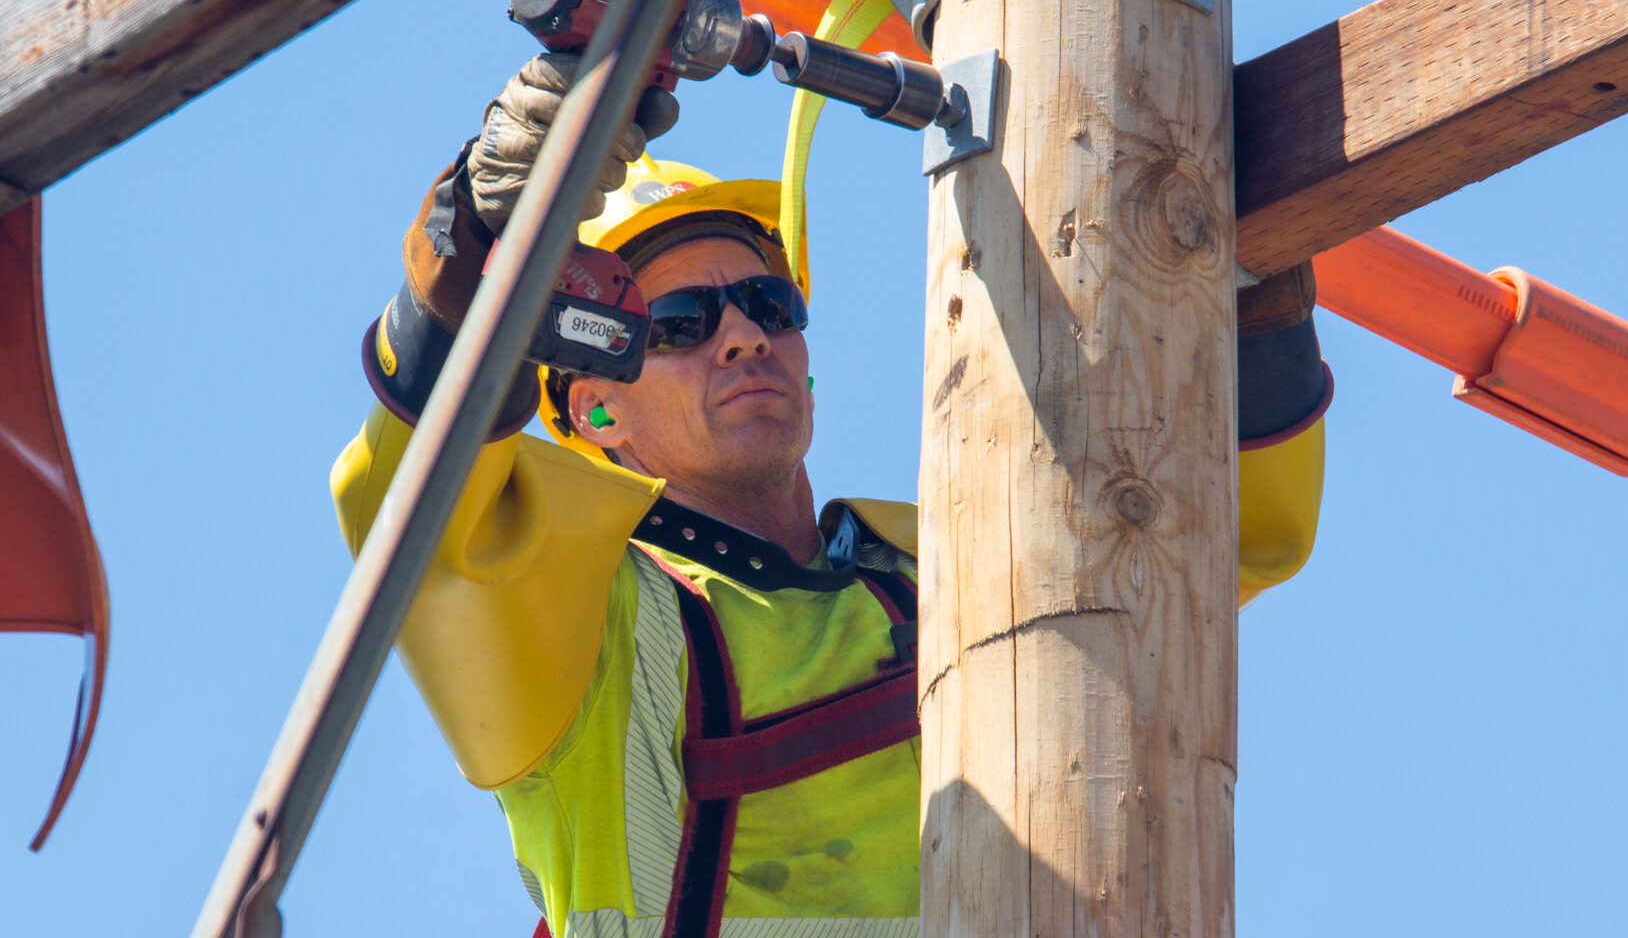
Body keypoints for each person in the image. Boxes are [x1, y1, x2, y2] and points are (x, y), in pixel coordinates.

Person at [331, 53, 1332, 937]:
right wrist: (475, 248)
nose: (741, 335)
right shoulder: (593, 645)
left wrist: (1241, 273)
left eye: (767, 304)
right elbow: (424, 526)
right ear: (594, 415)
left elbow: (1203, 536)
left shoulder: (955, 569)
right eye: (678, 324)